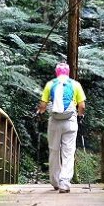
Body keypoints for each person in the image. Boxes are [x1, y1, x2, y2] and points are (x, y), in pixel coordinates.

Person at [37, 62, 86, 193]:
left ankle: (55, 181)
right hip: (70, 121)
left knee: (54, 150)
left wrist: (40, 112)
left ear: (56, 73)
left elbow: (43, 105)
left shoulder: (50, 84)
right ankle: (65, 183)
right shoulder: (75, 85)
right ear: (68, 72)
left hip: (54, 122)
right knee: (68, 152)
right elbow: (82, 106)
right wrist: (80, 116)